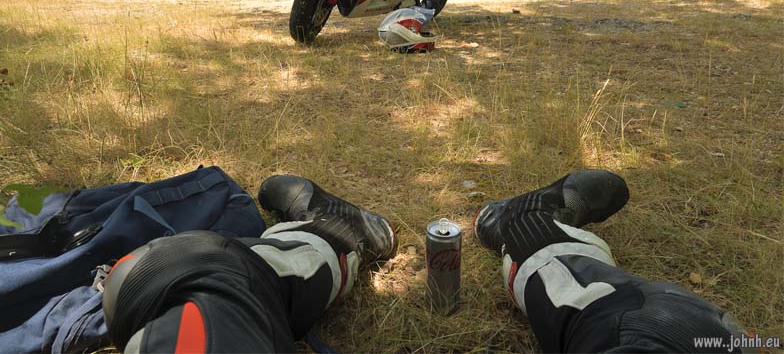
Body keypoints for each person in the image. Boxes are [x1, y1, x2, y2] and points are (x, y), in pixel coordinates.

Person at [102, 171, 747, 353]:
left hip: (185, 295)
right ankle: (532, 226)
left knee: (228, 290)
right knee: (628, 321)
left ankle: (326, 233)